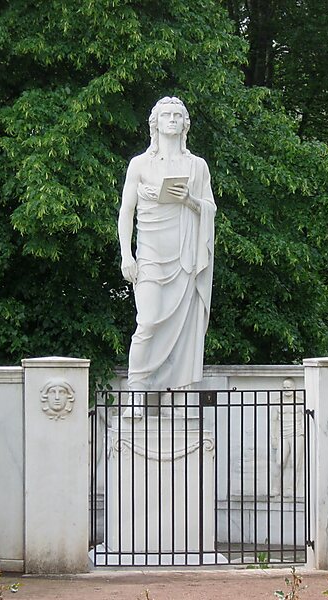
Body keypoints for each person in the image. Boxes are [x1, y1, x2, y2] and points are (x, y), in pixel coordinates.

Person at [118, 97, 216, 418]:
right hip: (150, 254)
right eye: (166, 115)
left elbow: (209, 208)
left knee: (183, 329)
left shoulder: (197, 166)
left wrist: (189, 199)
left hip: (185, 257)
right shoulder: (140, 164)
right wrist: (126, 255)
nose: (172, 119)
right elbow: (126, 212)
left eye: (177, 115)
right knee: (147, 322)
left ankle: (179, 395)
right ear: (155, 123)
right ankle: (136, 391)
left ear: (185, 124)